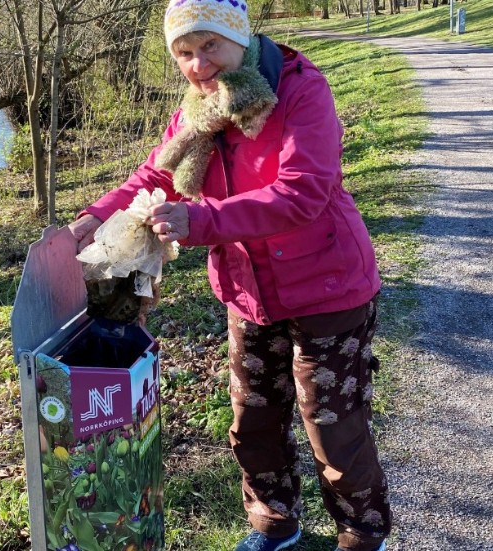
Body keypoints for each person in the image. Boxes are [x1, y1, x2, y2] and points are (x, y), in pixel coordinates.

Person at [68, 1, 392, 550]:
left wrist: (202, 220)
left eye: (209, 46)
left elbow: (304, 191)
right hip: (248, 292)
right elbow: (159, 172)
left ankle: (362, 534)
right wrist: (97, 214)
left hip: (327, 287)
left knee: (333, 428)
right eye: (185, 54)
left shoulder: (299, 90)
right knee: (254, 421)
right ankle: (274, 524)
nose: (198, 65)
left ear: (239, 40)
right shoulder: (198, 109)